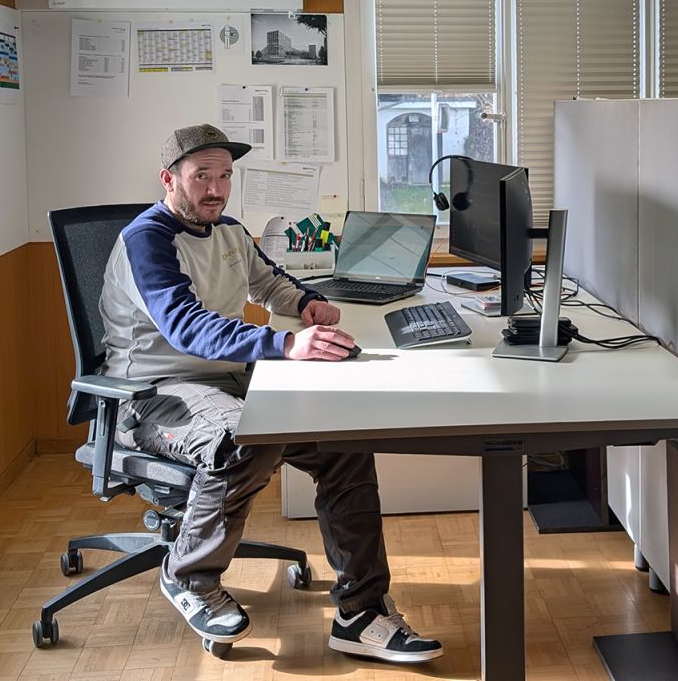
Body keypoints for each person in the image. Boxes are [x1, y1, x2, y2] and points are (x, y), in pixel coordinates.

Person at [98, 124, 442, 663]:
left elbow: (270, 282)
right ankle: (188, 575)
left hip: (227, 381)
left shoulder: (229, 230)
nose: (215, 189)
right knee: (245, 438)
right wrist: (286, 343)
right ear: (169, 180)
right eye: (201, 177)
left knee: (344, 445)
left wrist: (306, 304)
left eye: (224, 176)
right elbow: (187, 327)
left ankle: (361, 611)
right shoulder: (148, 240)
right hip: (157, 390)